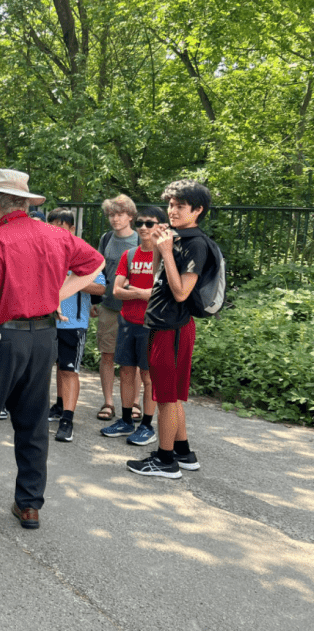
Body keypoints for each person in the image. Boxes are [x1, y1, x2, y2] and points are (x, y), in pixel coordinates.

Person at [0, 170, 103, 540]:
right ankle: (29, 504)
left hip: (0, 340)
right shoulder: (57, 235)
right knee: (32, 423)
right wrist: (56, 295)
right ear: (26, 203)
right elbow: (96, 264)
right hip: (44, 339)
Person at [127, 181, 214, 478]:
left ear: (198, 210)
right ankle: (183, 452)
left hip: (173, 327)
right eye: (171, 205)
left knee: (166, 397)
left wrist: (165, 251)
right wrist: (159, 247)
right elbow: (157, 281)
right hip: (163, 324)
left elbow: (180, 293)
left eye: (180, 206)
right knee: (172, 395)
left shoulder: (196, 244)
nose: (172, 211)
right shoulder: (177, 238)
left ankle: (165, 461)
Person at [100, 207, 168, 445]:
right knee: (126, 372)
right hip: (127, 322)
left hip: (152, 325)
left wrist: (135, 290)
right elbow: (116, 291)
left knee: (148, 376)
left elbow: (163, 295)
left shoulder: (166, 256)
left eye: (150, 224)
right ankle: (126, 421)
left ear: (161, 226)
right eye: (140, 223)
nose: (143, 228)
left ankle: (147, 426)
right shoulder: (129, 255)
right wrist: (144, 293)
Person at [46, 208, 106, 442]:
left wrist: (73, 280)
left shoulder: (83, 252)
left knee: (69, 370)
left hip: (73, 323)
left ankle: (67, 421)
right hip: (47, 321)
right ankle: (59, 406)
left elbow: (101, 288)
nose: (57, 231)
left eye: (62, 226)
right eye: (53, 226)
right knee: (57, 368)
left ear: (72, 229)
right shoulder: (44, 251)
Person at [94, 194, 139, 422]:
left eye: (119, 214)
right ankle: (108, 402)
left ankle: (134, 403)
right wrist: (95, 302)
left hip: (135, 308)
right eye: (111, 215)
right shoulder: (106, 239)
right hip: (109, 306)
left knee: (134, 358)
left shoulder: (140, 240)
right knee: (107, 354)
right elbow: (98, 272)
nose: (114, 219)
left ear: (130, 216)